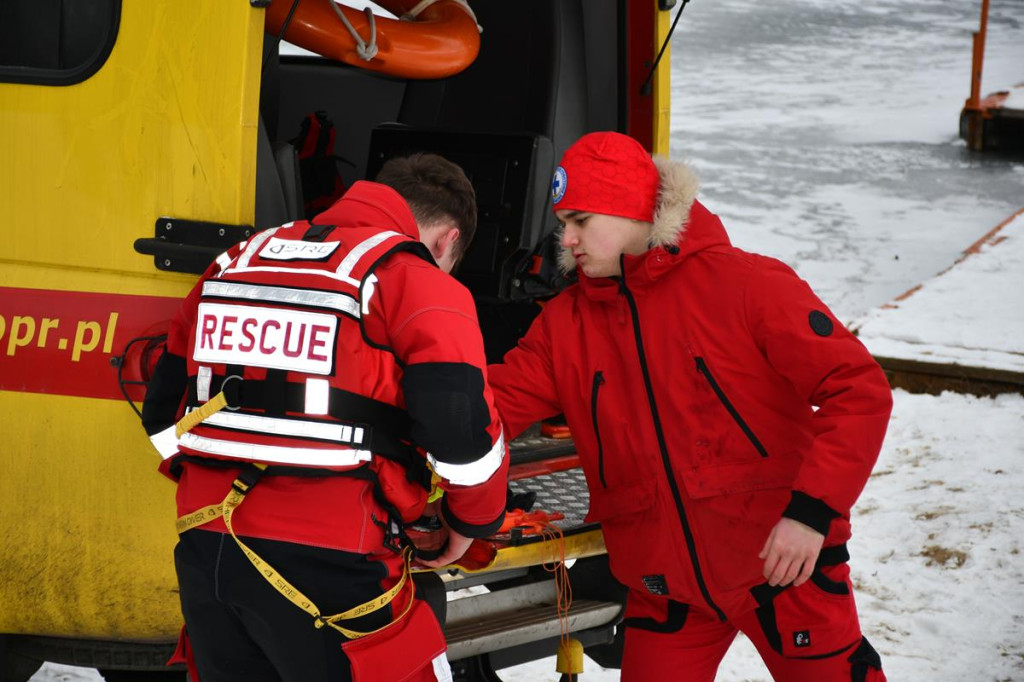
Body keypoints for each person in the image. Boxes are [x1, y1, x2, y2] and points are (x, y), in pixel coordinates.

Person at [488, 132, 892, 682]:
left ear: (629, 208)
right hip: (666, 588)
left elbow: (858, 389)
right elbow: (492, 407)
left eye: (581, 220)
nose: (568, 238)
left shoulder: (747, 284)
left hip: (781, 566)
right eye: (564, 223)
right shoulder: (565, 324)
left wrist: (812, 514)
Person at [141, 153, 508, 682]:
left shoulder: (236, 261)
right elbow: (460, 434)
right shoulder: (413, 279)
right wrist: (470, 524)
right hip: (337, 566)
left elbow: (162, 414)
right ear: (448, 240)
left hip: (207, 549)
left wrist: (219, 475)